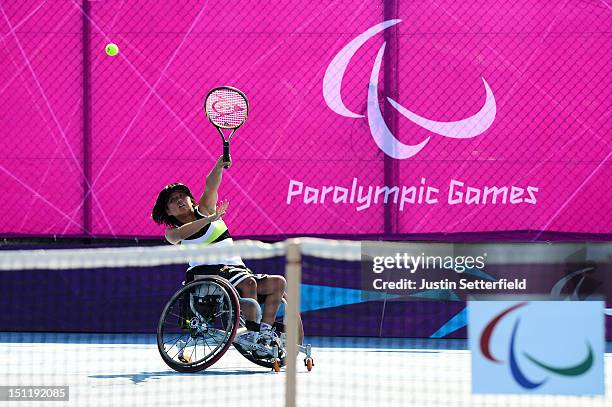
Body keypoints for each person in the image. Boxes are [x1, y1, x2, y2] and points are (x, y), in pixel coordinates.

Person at [151, 156, 286, 355]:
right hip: (207, 274)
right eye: (173, 200)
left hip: (237, 270)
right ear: (168, 211)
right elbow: (182, 234)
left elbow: (210, 186)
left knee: (278, 283)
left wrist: (219, 165)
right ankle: (251, 333)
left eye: (182, 196)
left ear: (191, 199)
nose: (179, 200)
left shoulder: (205, 210)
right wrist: (212, 219)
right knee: (249, 284)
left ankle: (264, 334)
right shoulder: (172, 232)